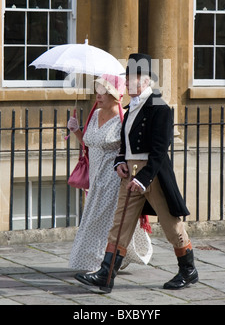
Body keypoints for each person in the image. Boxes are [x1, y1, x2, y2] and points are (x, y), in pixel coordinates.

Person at [75, 53, 198, 292]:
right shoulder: (130, 107)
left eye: (132, 79)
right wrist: (118, 162)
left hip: (153, 175)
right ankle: (106, 274)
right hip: (129, 173)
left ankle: (188, 270)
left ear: (145, 81)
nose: (128, 84)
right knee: (120, 223)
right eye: (127, 78)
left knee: (171, 225)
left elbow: (161, 150)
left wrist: (143, 179)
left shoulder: (159, 107)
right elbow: (124, 143)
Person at [67, 73, 153, 271]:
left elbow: (131, 151)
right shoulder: (95, 114)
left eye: (103, 92)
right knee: (96, 220)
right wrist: (76, 131)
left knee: (102, 222)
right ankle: (111, 258)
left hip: (113, 179)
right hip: (95, 178)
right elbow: (90, 145)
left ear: (115, 95)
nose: (98, 96)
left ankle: (100, 263)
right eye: (97, 91)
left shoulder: (124, 119)